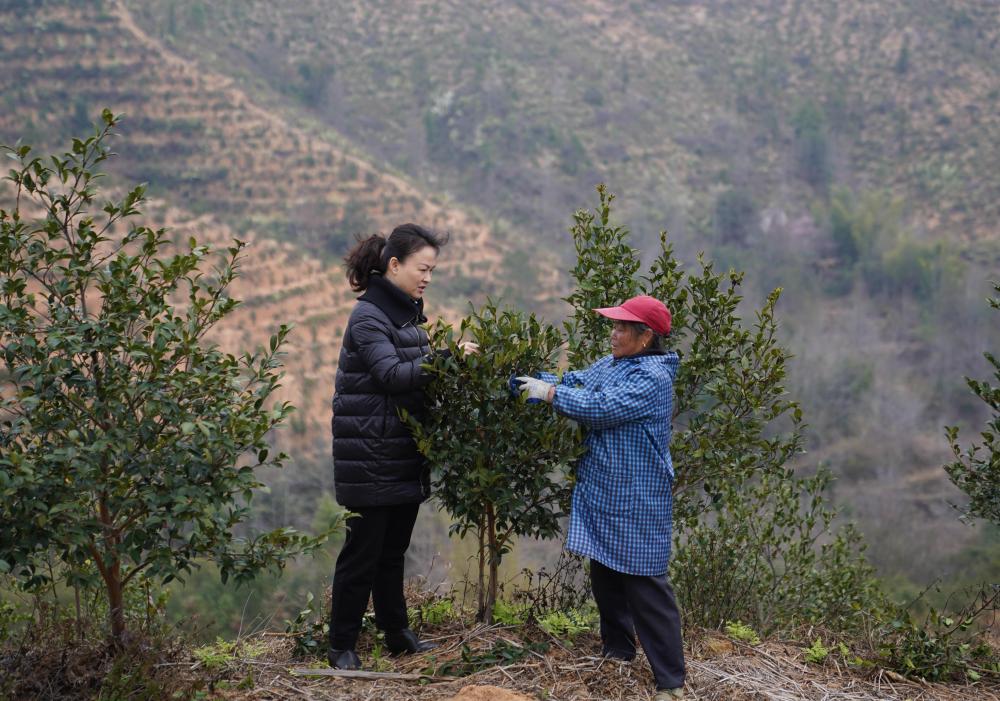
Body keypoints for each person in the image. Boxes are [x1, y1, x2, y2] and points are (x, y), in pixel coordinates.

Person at [515, 295, 687, 700]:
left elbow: (600, 407)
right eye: (614, 325)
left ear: (646, 337)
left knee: (645, 583)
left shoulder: (652, 378)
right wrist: (537, 379)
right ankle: (619, 651)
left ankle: (671, 681)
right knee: (606, 572)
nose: (614, 333)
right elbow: (580, 381)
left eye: (622, 327)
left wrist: (549, 394)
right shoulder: (614, 364)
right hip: (607, 490)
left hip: (639, 496)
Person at [328, 223, 475, 670]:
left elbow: (415, 376)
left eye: (432, 270)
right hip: (370, 456)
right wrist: (447, 358)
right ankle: (341, 646)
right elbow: (392, 375)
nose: (427, 277)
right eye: (422, 268)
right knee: (362, 556)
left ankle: (397, 634)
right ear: (394, 265)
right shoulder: (369, 317)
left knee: (392, 553)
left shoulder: (408, 314)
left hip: (402, 452)